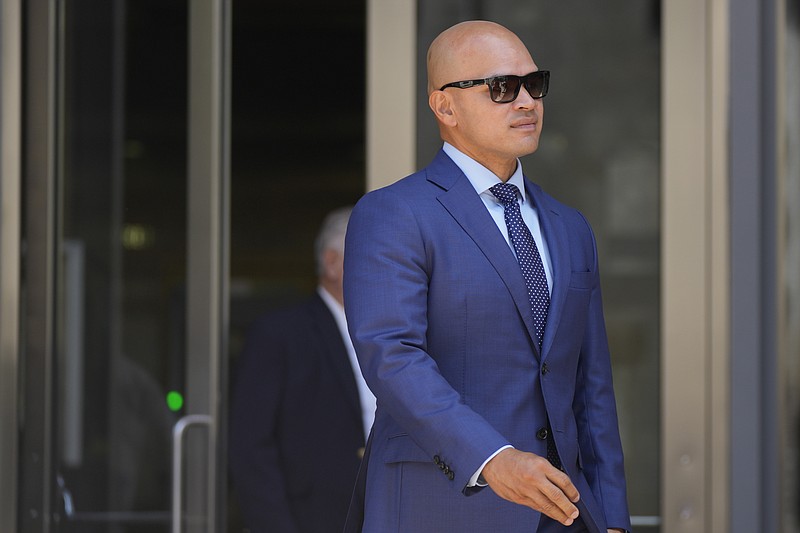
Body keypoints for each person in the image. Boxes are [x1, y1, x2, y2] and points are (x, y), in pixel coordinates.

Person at [342, 20, 630, 533]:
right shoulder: (394, 213)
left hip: (564, 515)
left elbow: (591, 387)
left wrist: (609, 517)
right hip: (440, 507)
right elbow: (393, 359)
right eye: (502, 87)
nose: (526, 101)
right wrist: (492, 459)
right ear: (444, 107)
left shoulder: (569, 226)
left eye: (533, 84)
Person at [229, 207, 376, 533]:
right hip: (312, 519)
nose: (383, 266)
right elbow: (251, 449)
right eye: (371, 254)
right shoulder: (279, 335)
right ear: (331, 263)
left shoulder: (393, 333)